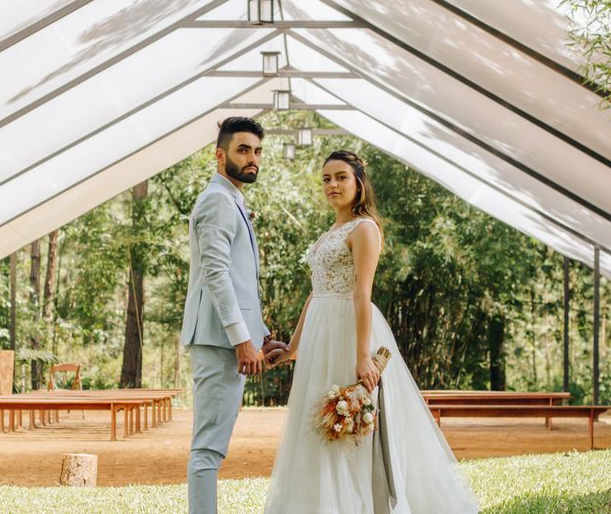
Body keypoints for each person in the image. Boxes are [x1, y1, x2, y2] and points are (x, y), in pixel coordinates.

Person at [263, 150, 477, 513]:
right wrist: (295, 346)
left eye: (341, 177)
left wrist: (363, 356)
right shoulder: (330, 231)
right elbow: (316, 292)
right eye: (327, 178)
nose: (332, 184)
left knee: (346, 426)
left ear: (358, 182)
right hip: (320, 335)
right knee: (316, 422)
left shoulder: (364, 229)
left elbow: (362, 293)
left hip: (350, 331)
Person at [181, 116, 288, 514]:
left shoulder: (232, 199)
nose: (253, 159)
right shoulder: (216, 200)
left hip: (229, 338)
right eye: (243, 150)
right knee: (208, 448)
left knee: (213, 444)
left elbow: (236, 281)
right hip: (217, 341)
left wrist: (257, 336)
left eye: (257, 151)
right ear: (220, 154)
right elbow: (216, 274)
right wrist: (241, 340)